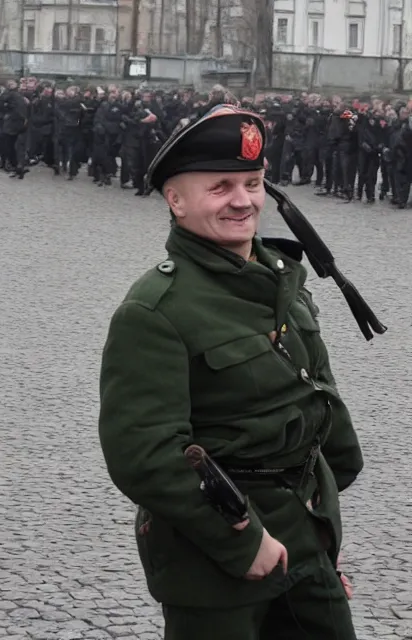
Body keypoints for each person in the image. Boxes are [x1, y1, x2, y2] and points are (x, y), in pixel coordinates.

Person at [98, 104, 363, 640]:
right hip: (216, 560)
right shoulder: (155, 310)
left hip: (306, 537)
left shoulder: (281, 278)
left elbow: (315, 397)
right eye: (220, 187)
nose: (243, 200)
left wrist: (324, 530)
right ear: (176, 200)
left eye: (253, 182)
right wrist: (244, 541)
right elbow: (144, 456)